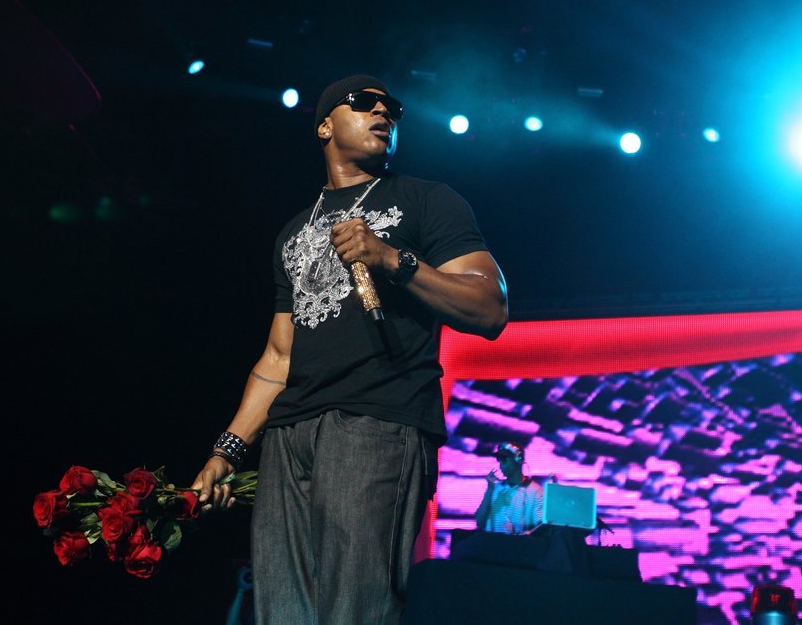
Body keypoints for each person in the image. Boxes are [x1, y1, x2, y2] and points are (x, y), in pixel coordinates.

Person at [190, 74, 508, 625]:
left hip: (375, 421)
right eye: (364, 103)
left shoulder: (427, 200)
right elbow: (279, 357)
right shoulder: (294, 233)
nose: (383, 112)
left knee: (354, 611)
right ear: (324, 126)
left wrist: (393, 260)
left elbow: (490, 307)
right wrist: (227, 451)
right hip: (289, 437)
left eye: (392, 108)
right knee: (282, 612)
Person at [474, 441, 544, 535]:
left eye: (504, 459)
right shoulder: (494, 489)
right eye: (499, 459)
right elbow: (479, 523)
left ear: (519, 459)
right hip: (492, 542)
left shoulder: (536, 491)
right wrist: (490, 490)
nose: (501, 464)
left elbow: (540, 527)